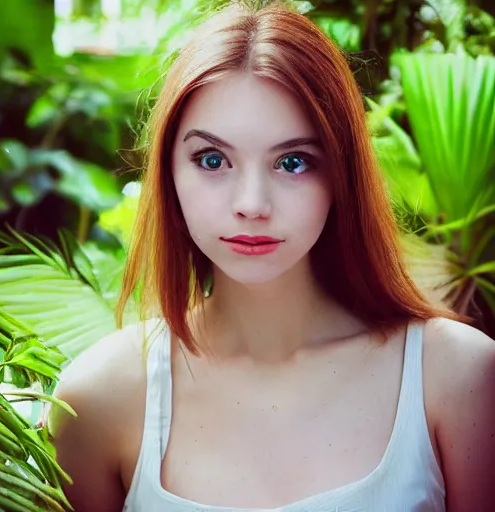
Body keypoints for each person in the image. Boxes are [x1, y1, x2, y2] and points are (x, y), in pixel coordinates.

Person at [49, 1, 495, 511]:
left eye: (293, 162)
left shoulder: (455, 375)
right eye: (212, 160)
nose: (252, 205)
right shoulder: (99, 397)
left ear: (341, 174)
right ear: (169, 174)